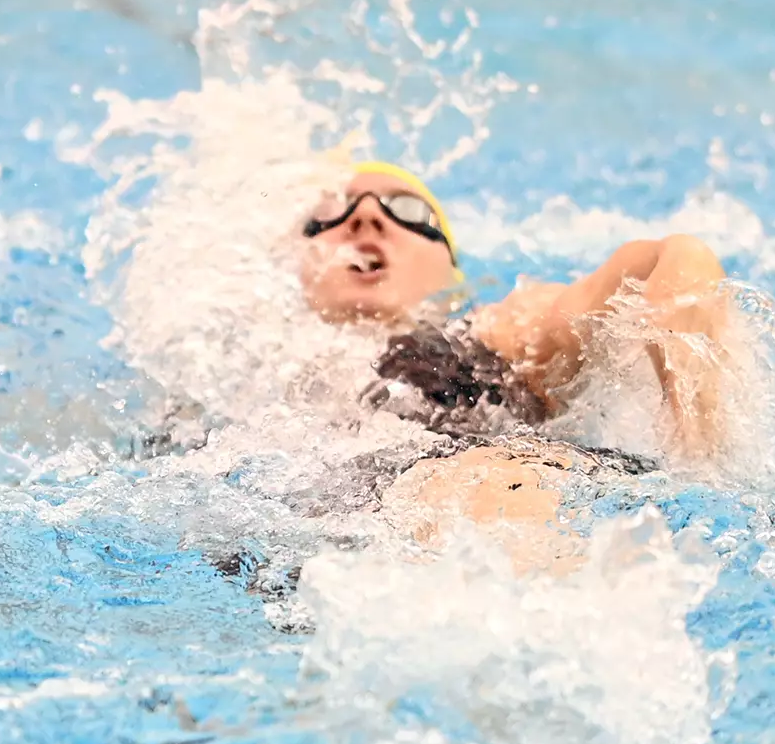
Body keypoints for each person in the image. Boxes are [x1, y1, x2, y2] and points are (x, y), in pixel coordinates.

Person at [284, 160, 734, 573]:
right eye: (332, 211)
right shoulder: (250, 362)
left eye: (408, 211)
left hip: (466, 498)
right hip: (301, 537)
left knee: (482, 481)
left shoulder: (489, 334)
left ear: (451, 274)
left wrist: (704, 460)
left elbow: (645, 273)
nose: (366, 218)